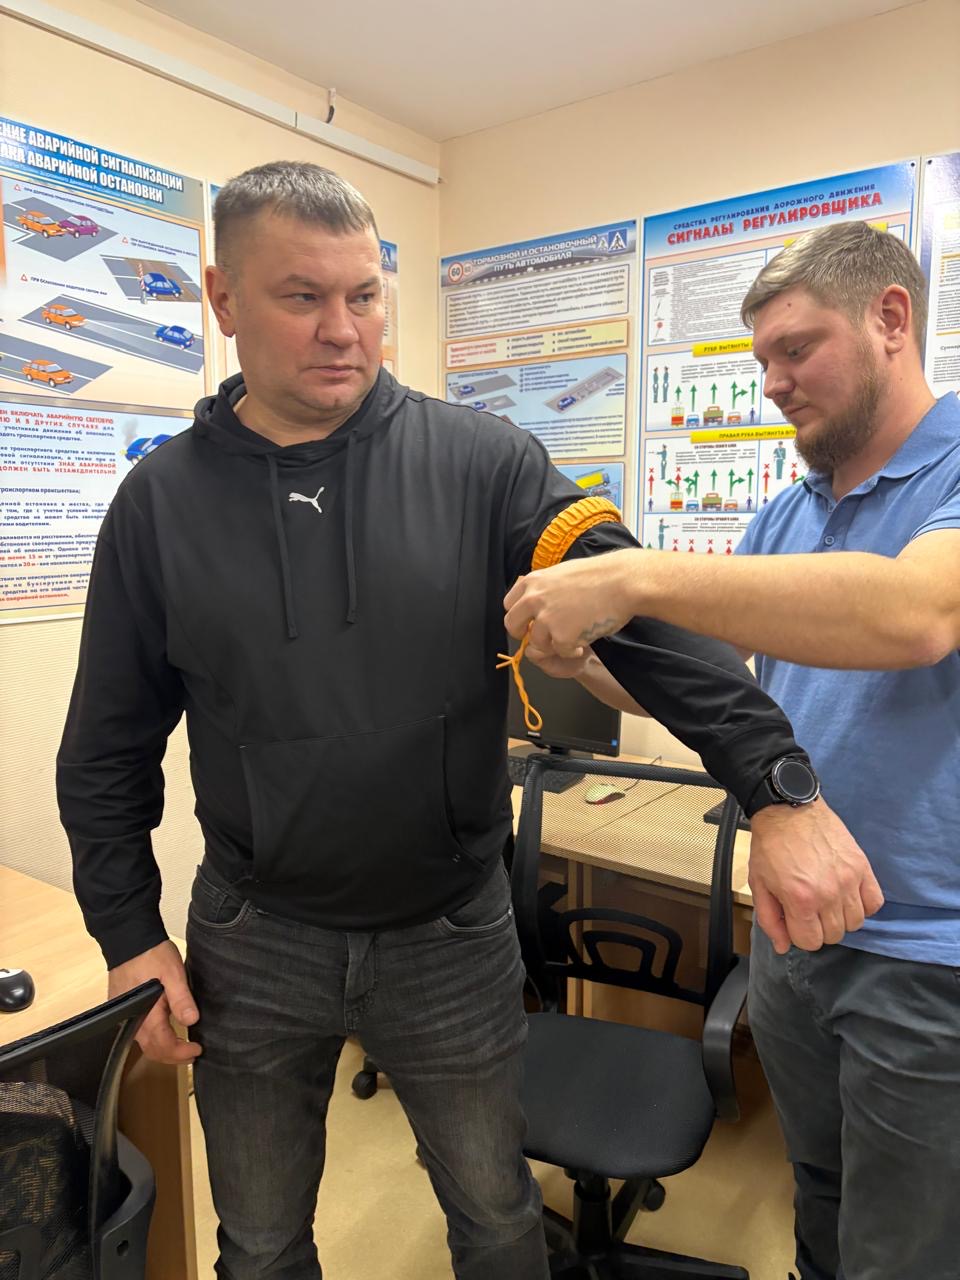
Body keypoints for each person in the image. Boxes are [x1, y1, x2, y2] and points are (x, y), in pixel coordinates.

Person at [58, 162, 871, 1280]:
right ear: (223, 297)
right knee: (258, 1238)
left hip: (450, 935)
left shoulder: (483, 465)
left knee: (495, 1217)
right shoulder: (158, 507)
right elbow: (106, 748)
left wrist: (775, 783)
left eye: (364, 295)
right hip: (256, 938)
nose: (344, 329)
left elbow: (632, 610)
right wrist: (128, 934)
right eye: (303, 297)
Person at [504, 221, 960, 1280]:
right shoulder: (790, 514)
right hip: (794, 928)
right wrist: (580, 659)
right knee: (821, 1201)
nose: (773, 384)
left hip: (928, 959)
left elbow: (918, 614)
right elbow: (711, 684)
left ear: (892, 319)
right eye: (761, 360)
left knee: (907, 1248)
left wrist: (637, 574)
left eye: (797, 349)